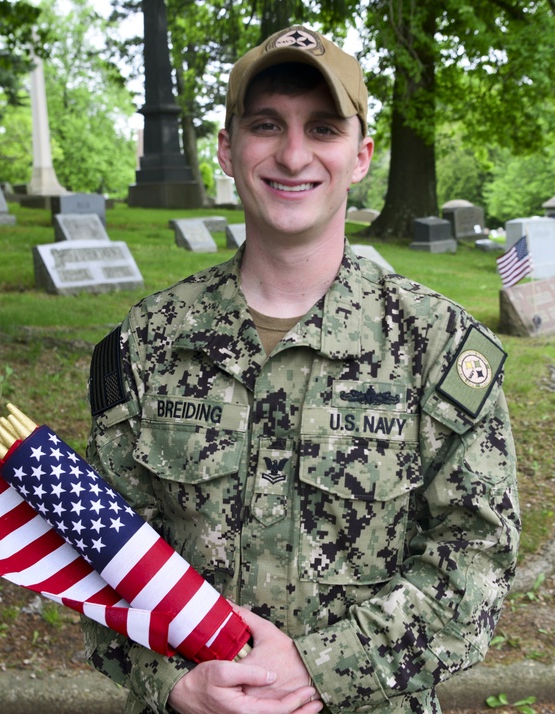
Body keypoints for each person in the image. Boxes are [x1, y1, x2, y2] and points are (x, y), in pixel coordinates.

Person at [83, 25, 521, 714]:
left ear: (361, 155)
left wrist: (322, 669)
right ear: (228, 150)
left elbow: (478, 559)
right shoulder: (149, 342)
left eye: (322, 128)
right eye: (266, 125)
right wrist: (174, 683)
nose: (293, 155)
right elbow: (102, 552)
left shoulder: (436, 344)